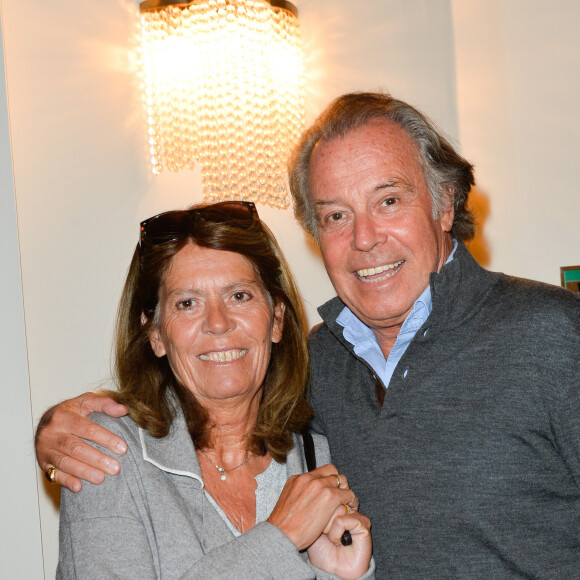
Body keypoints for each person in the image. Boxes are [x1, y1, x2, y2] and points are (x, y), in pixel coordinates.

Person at [37, 93, 580, 578]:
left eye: (388, 201)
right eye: (336, 215)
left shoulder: (555, 335)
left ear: (444, 204)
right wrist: (56, 431)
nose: (364, 238)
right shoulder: (314, 372)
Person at [51, 200, 373, 579]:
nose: (218, 323)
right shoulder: (106, 456)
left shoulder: (318, 457)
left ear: (277, 319)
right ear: (155, 333)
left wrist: (348, 575)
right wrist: (280, 538)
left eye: (240, 296)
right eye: (187, 303)